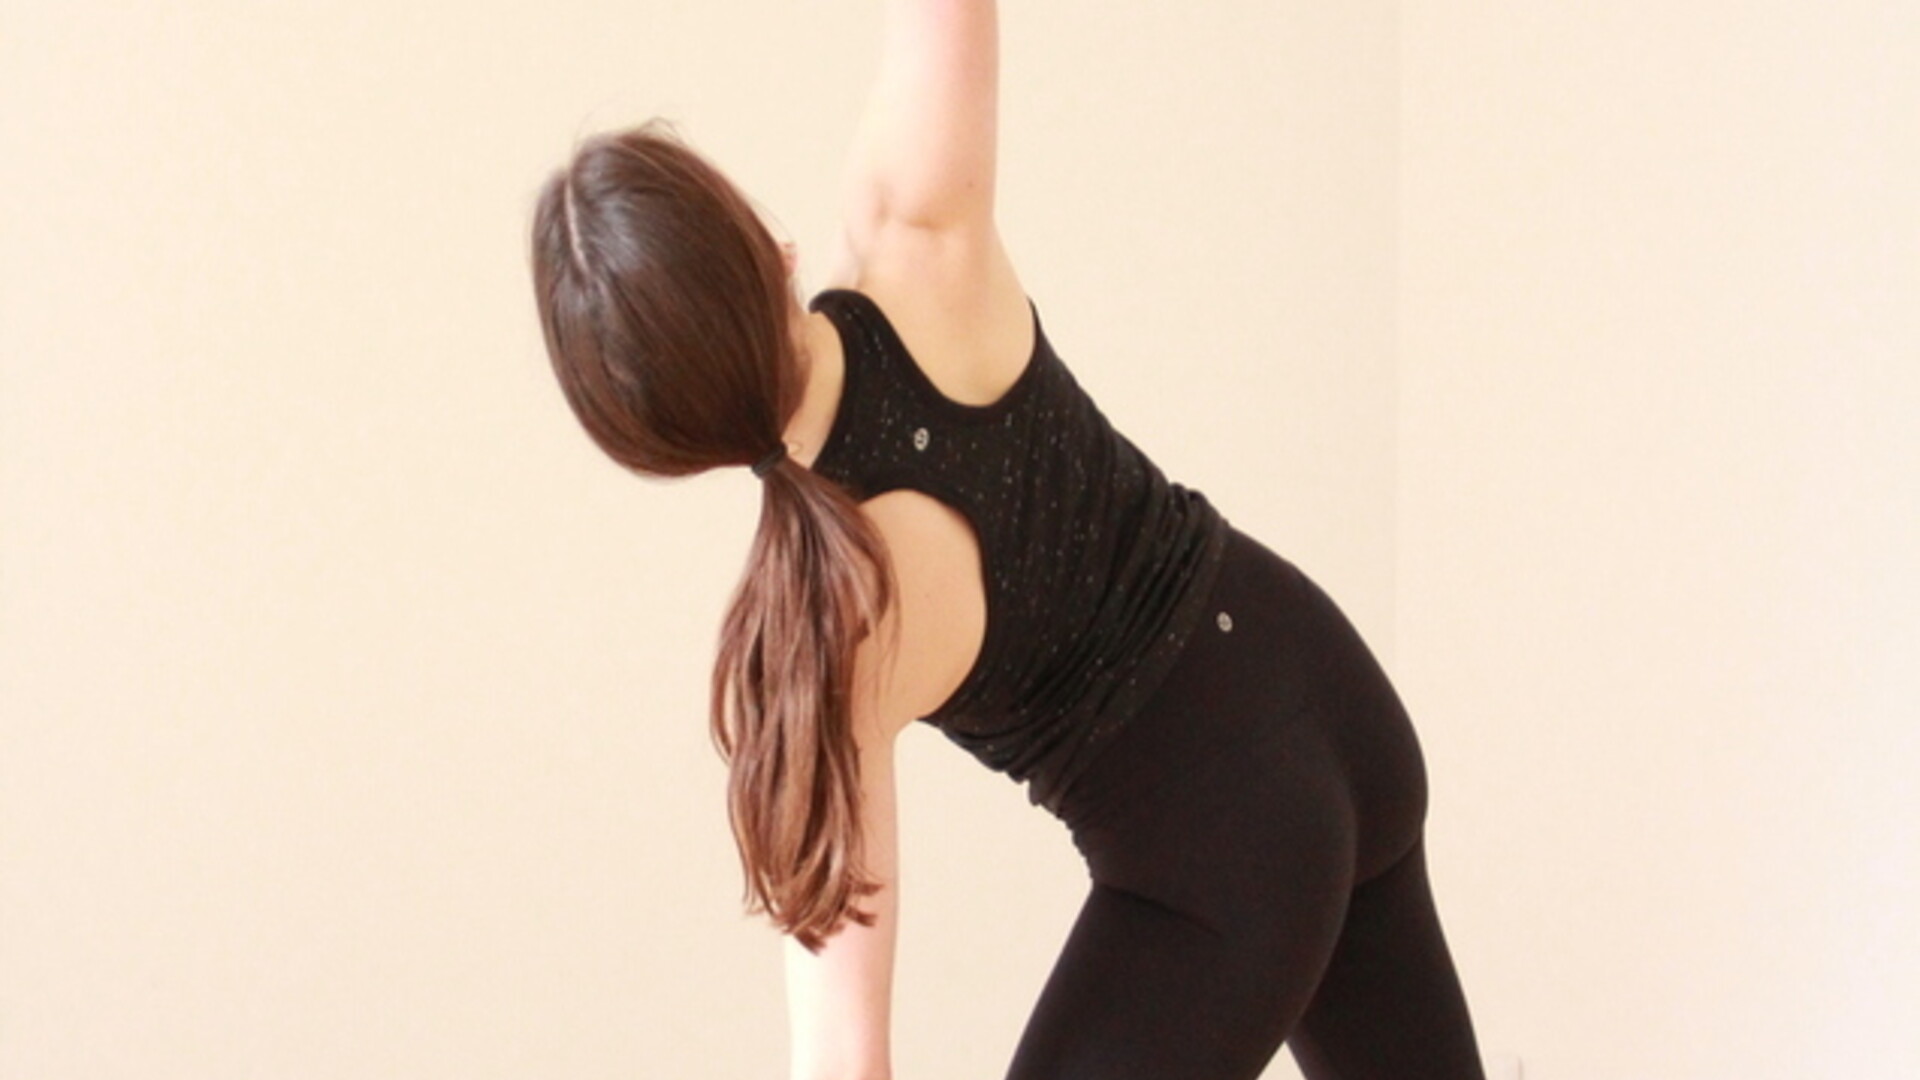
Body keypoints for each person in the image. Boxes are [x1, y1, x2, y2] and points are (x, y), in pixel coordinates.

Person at [527, 4, 1484, 1078]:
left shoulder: (813, 646)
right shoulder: (916, 234)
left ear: (662, 451)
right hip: (1331, 684)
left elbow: (846, 1064)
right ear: (765, 243)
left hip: (1230, 853)